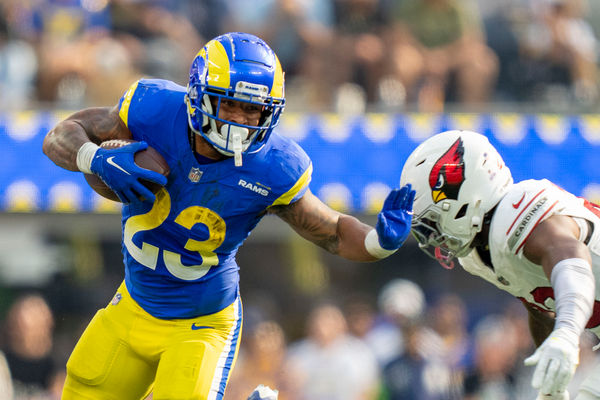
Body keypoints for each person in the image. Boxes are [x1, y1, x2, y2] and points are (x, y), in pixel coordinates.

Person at [42, 31, 415, 400]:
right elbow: (62, 133)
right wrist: (95, 158)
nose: (239, 119)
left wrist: (376, 242)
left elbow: (331, 230)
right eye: (229, 104)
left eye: (252, 109)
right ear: (198, 95)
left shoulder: (274, 166)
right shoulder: (152, 109)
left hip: (200, 323)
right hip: (134, 303)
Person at [400, 129, 600, 399]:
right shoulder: (477, 255)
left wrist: (567, 332)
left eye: (434, 222)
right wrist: (554, 379)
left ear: (466, 198)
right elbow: (539, 304)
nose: (434, 238)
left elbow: (572, 260)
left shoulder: (516, 213)